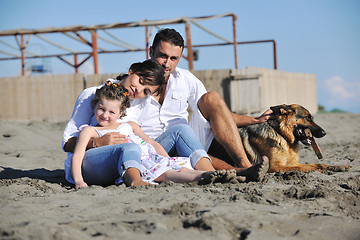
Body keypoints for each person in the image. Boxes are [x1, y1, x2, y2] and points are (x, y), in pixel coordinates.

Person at [63, 59, 231, 187]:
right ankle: (136, 180)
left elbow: (146, 139)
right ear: (132, 71)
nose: (139, 90)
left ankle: (210, 174)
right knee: (131, 148)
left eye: (146, 91)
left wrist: (166, 161)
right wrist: (96, 143)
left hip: (136, 153)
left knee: (181, 130)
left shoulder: (141, 101)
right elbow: (67, 143)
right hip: (96, 160)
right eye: (141, 81)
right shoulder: (92, 95)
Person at [137, 28, 271, 178]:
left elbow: (218, 112)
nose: (167, 63)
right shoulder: (134, 81)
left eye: (174, 58)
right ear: (151, 51)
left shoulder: (185, 79)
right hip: (152, 146)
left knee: (211, 99)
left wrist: (254, 120)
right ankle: (238, 172)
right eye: (163, 56)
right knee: (183, 133)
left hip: (184, 139)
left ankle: (244, 166)